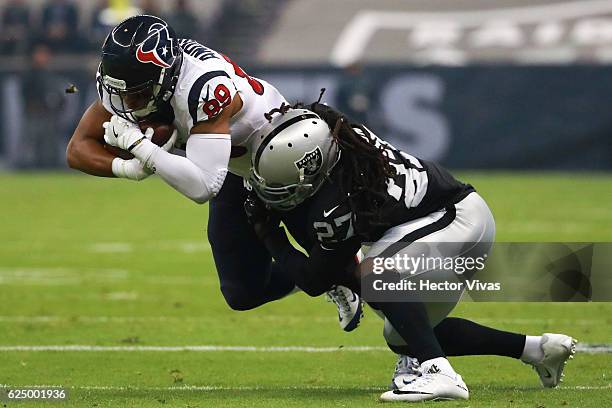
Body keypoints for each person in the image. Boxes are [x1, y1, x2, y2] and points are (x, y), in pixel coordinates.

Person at [243, 102, 577, 402]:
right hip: (443, 227)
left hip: (456, 219)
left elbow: (314, 280)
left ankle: (439, 372)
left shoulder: (336, 202)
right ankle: (537, 349)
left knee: (374, 274)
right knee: (405, 335)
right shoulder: (337, 132)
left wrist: (270, 234)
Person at [66, 15, 362, 332]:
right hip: (235, 165)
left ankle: (418, 354)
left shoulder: (204, 87)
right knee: (242, 292)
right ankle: (320, 280)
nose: (124, 103)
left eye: (135, 94)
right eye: (118, 91)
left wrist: (141, 147)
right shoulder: (135, 83)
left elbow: (204, 185)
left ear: (163, 78)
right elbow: (77, 148)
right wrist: (128, 168)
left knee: (344, 266)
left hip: (283, 161)